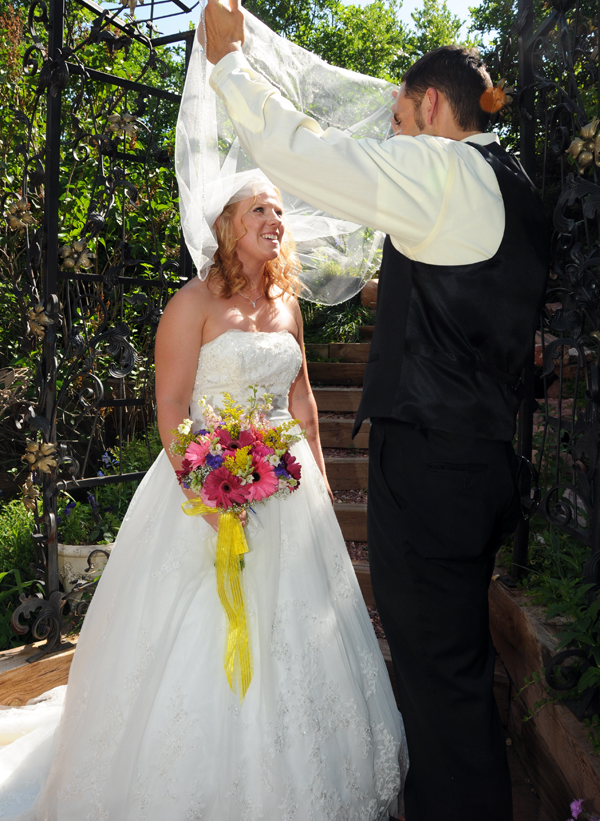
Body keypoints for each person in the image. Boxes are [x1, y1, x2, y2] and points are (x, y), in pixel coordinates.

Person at [203, 0, 551, 821]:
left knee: (439, 680)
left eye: (398, 119)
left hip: (432, 466)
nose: (393, 137)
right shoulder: (518, 191)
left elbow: (310, 155)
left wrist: (229, 62)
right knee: (452, 673)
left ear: (431, 106)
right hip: (478, 460)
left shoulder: (443, 170)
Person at [0, 176, 407, 821]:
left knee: (295, 631)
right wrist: (207, 491)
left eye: (278, 209)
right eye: (260, 209)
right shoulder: (190, 304)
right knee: (196, 628)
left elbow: (300, 402)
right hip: (202, 484)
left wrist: (323, 477)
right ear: (227, 226)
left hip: (285, 487)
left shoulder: (288, 304)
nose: (275, 218)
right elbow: (170, 409)